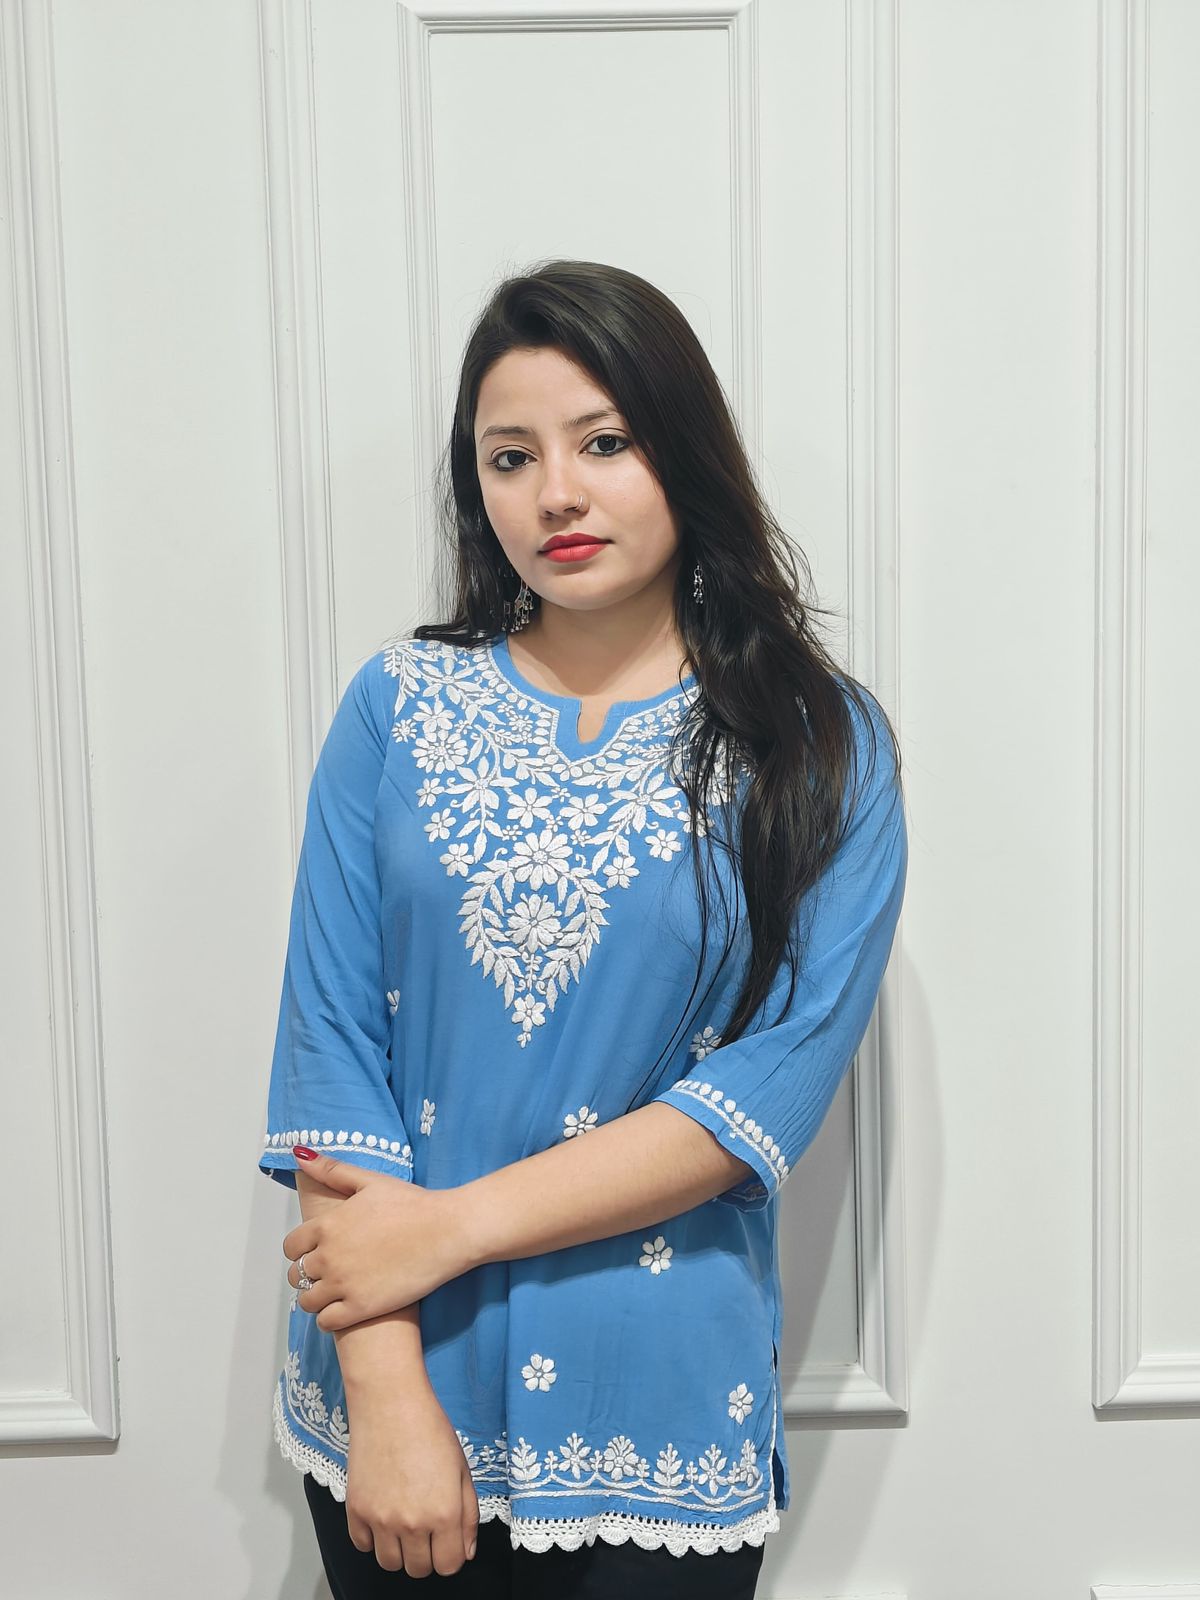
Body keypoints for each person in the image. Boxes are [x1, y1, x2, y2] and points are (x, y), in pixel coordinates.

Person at [257, 259, 908, 1596]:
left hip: (655, 1406)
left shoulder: (816, 743)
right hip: (396, 1387)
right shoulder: (397, 708)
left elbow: (762, 1096)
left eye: (604, 442)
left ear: (684, 448)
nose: (556, 492)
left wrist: (450, 1227)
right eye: (510, 457)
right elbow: (330, 1048)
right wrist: (385, 1394)